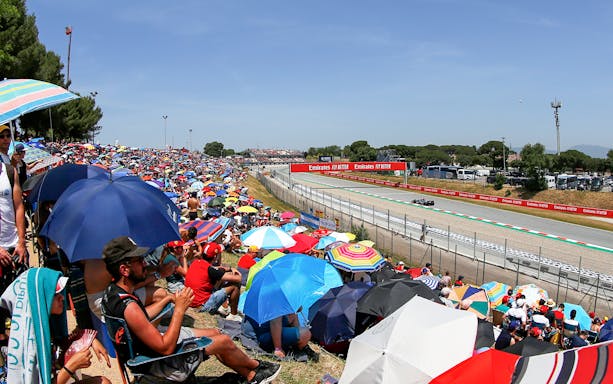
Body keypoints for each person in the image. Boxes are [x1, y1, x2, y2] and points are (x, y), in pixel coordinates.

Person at [100, 236, 280, 383]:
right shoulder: (129, 306)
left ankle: (251, 375)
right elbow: (166, 348)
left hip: (145, 348)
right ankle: (255, 368)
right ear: (124, 269)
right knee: (223, 340)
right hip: (157, 362)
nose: (145, 263)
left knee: (215, 332)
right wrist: (179, 309)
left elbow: (141, 318)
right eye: (138, 261)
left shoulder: (112, 293)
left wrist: (168, 299)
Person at [0, 268, 110, 384]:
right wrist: (71, 366)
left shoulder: (44, 324)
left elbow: (62, 342)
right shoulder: (23, 343)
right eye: (55, 294)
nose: (62, 297)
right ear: (40, 299)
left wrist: (88, 339)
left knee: (103, 382)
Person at [184, 255, 242, 321]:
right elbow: (238, 279)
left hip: (190, 301)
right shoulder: (210, 270)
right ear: (215, 257)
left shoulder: (195, 262)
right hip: (203, 306)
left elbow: (215, 269)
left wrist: (229, 269)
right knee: (235, 286)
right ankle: (233, 315)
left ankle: (224, 307)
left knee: (220, 277)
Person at [245, 313, 319, 362]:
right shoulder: (276, 301)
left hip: (261, 328)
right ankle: (297, 347)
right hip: (263, 336)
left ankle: (299, 343)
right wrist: (278, 348)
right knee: (306, 333)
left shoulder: (272, 297)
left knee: (293, 314)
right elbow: (275, 322)